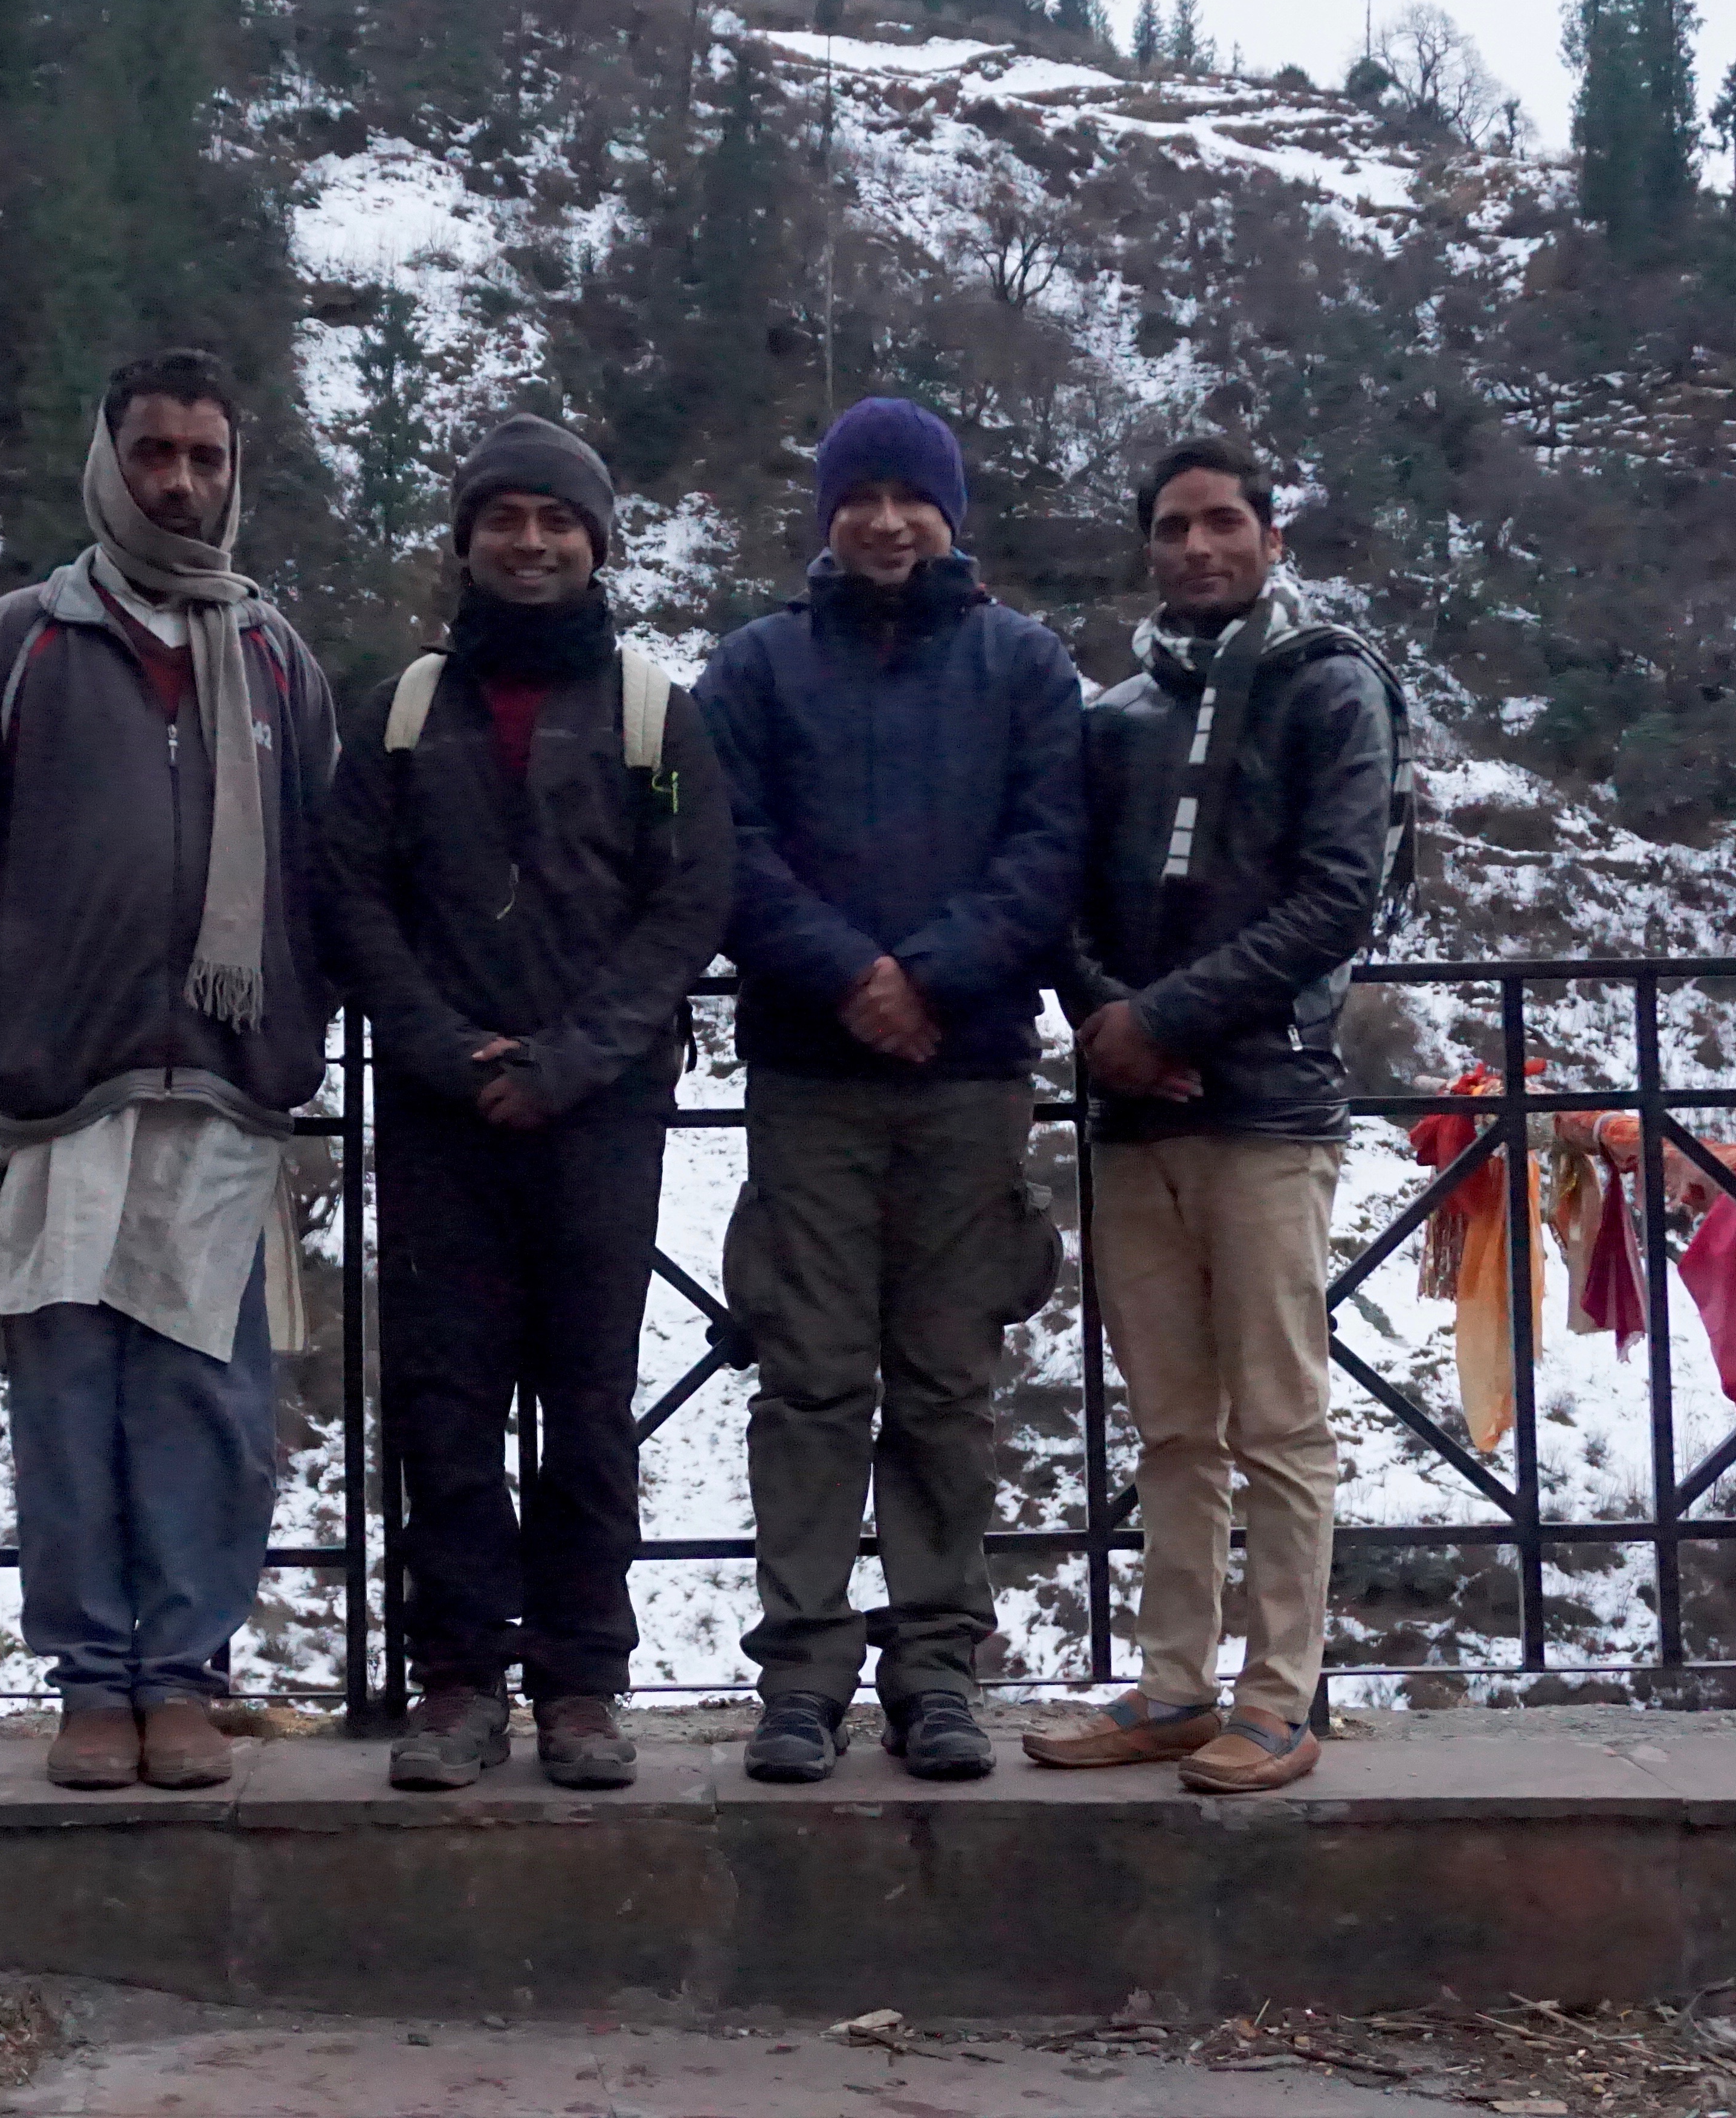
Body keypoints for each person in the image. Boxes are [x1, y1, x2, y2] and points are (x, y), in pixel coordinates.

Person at [0, 349, 337, 1793]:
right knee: (69, 1390)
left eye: (206, 457)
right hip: (66, 1088)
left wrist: (291, 1017)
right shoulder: (21, 641)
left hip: (225, 1089)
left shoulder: (276, 658)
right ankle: (93, 1677)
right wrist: (4, 1001)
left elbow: (330, 867)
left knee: (207, 1394)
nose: (181, 482)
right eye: (156, 452)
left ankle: (185, 1673)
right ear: (110, 460)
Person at [320, 413, 735, 1792]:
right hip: (439, 1112)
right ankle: (456, 1679)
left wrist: (571, 1058)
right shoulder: (399, 712)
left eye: (559, 521)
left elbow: (689, 899)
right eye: (505, 518)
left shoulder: (655, 716)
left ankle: (581, 1681)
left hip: (601, 1110)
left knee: (590, 1399)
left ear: (598, 544)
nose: (532, 542)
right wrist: (448, 1051)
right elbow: (353, 895)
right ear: (466, 540)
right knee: (444, 1397)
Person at [695, 396, 1086, 1785]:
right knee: (806, 1378)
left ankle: (937, 1665)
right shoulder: (756, 667)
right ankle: (802, 1670)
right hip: (810, 1075)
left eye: (910, 496)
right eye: (857, 495)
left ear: (950, 513)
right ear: (825, 516)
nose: (884, 520)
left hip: (970, 1075)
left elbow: (1052, 847)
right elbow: (726, 850)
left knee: (946, 1382)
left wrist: (928, 976)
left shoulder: (1024, 664)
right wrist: (852, 978)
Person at [1028, 434, 1400, 1794]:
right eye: (1174, 527)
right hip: (1136, 1117)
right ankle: (1175, 1685)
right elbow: (1062, 896)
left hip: (1267, 1110)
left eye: (1224, 522)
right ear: (1149, 548)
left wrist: (1164, 1022)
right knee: (1174, 1424)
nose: (1199, 546)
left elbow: (1337, 897)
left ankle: (1281, 1697)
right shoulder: (1117, 715)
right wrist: (1107, 1023)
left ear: (1271, 537)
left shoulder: (1332, 686)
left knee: (1279, 1421)